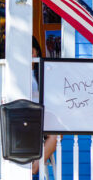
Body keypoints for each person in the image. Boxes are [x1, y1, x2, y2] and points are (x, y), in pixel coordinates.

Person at [31, 36, 58, 175]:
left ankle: (34, 167)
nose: (30, 56)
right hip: (27, 119)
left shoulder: (40, 73)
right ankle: (34, 169)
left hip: (39, 118)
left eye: (32, 52)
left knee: (57, 134)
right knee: (55, 134)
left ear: (37, 52)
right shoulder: (19, 75)